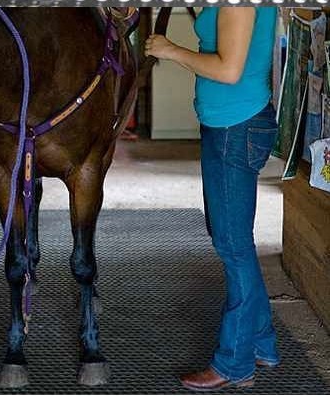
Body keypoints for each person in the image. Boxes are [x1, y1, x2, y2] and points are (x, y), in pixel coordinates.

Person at [145, 7, 280, 391]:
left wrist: (171, 50)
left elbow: (228, 70)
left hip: (234, 128)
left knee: (233, 245)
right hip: (232, 123)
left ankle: (234, 363)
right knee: (235, 240)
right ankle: (262, 341)